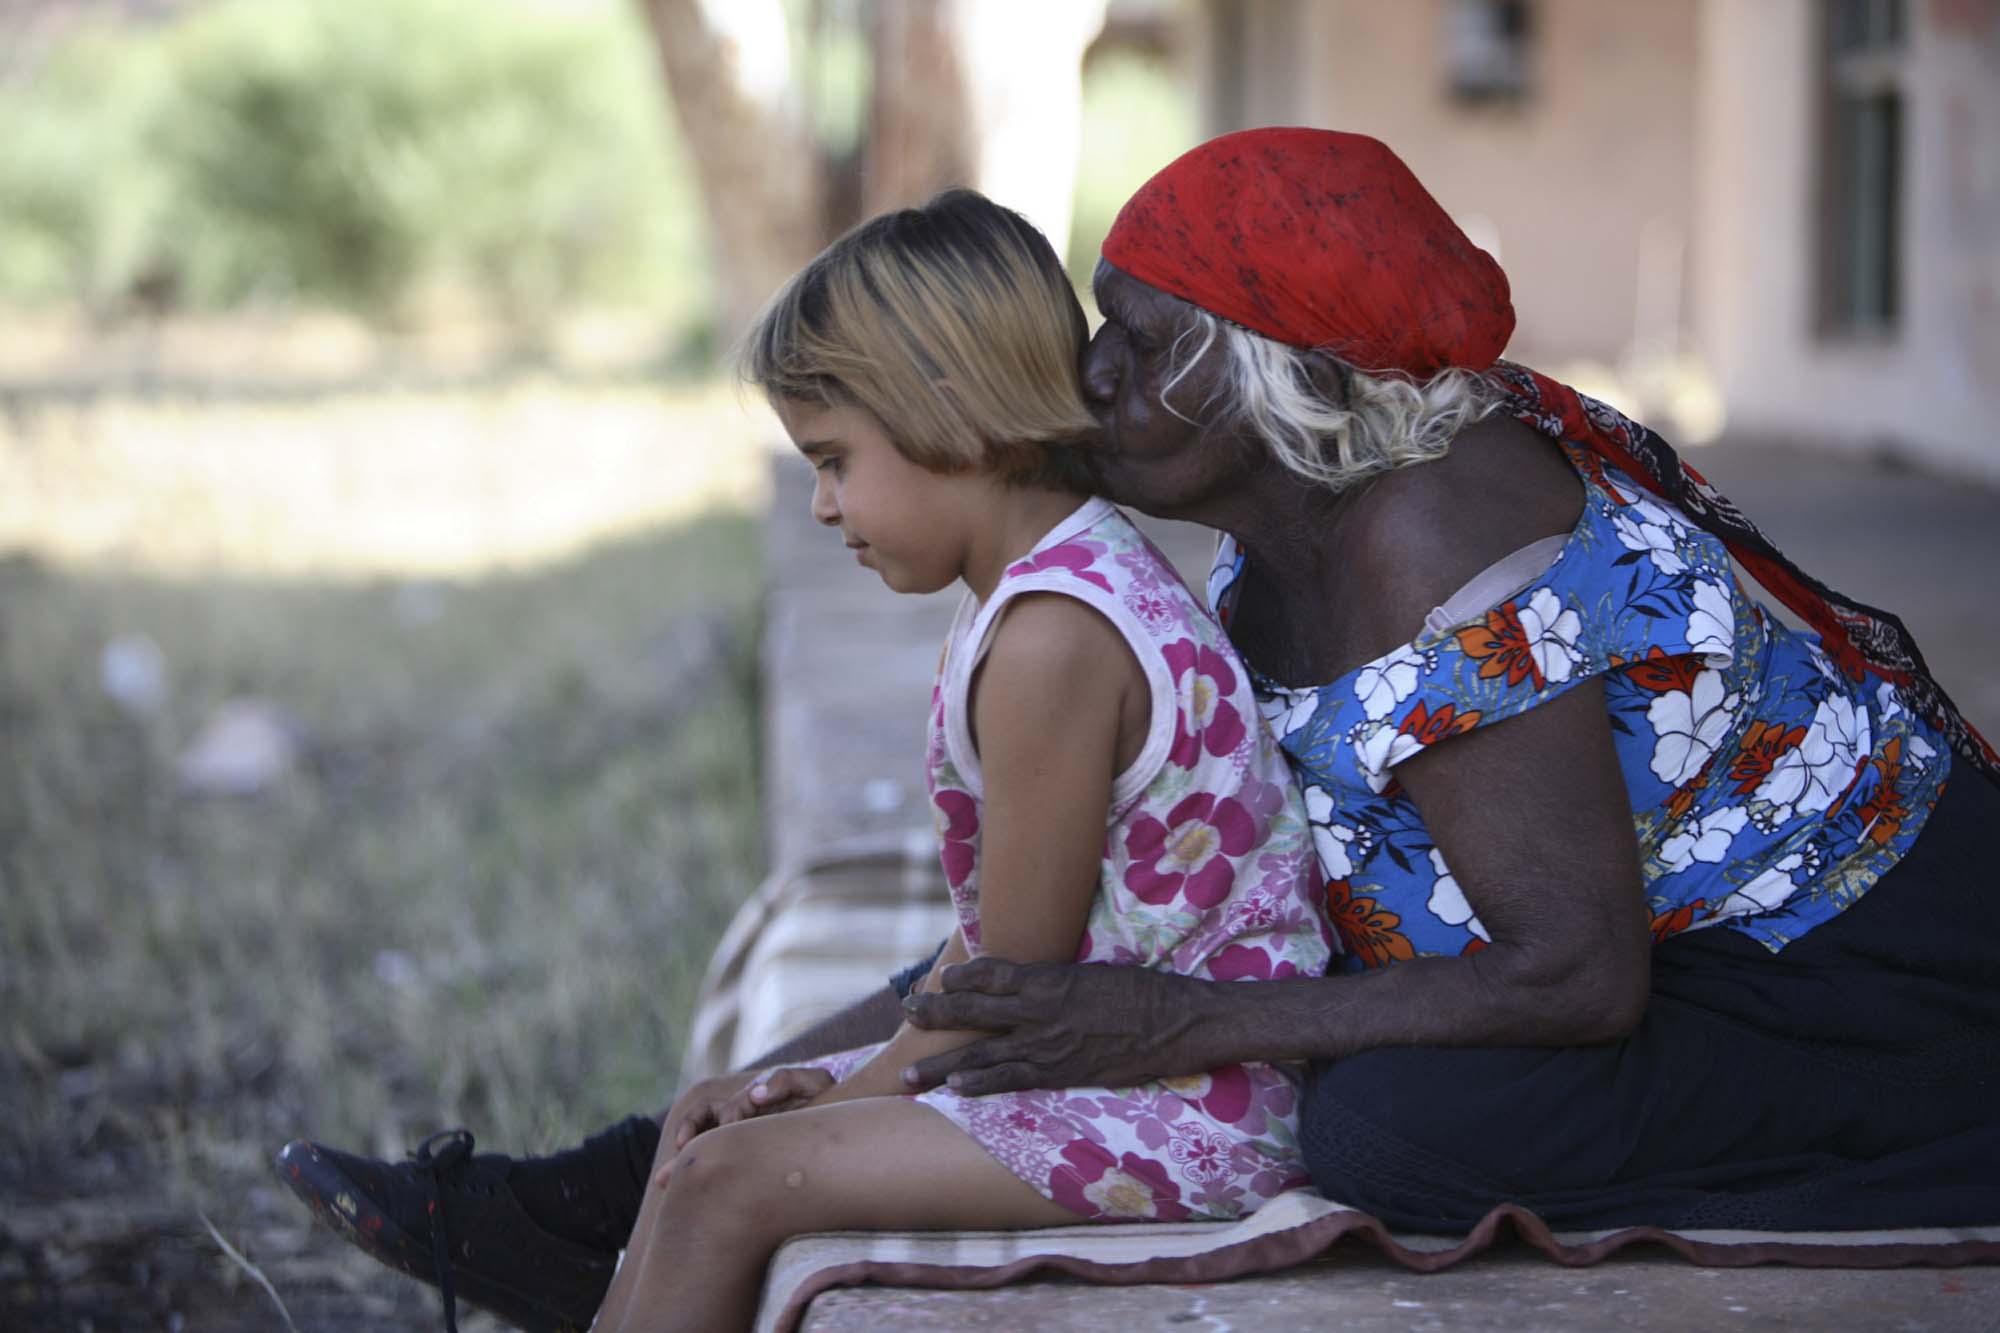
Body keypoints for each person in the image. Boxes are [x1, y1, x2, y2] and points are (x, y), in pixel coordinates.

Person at [281, 128, 2000, 1328]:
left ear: (1274, 377)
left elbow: (1578, 979)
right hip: (1626, 939)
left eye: (1141, 343)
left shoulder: (1439, 548)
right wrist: (756, 1082)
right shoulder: (1276, 540)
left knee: (1394, 1136)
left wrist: (1179, 1015)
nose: (1094, 378)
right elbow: (1048, 951)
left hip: (1857, 971)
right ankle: (590, 1195)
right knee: (1203, 1031)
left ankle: (595, 1202)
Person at [285, 188, 1330, 1333]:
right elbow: (1005, 946)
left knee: (735, 1173)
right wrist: (824, 1079)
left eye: (834, 460)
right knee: (706, 1134)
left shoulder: (1053, 636)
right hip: (1103, 1069)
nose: (823, 505)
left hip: (1188, 1112)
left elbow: (1007, 989)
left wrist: (839, 1097)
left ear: (954, 411)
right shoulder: (1040, 592)